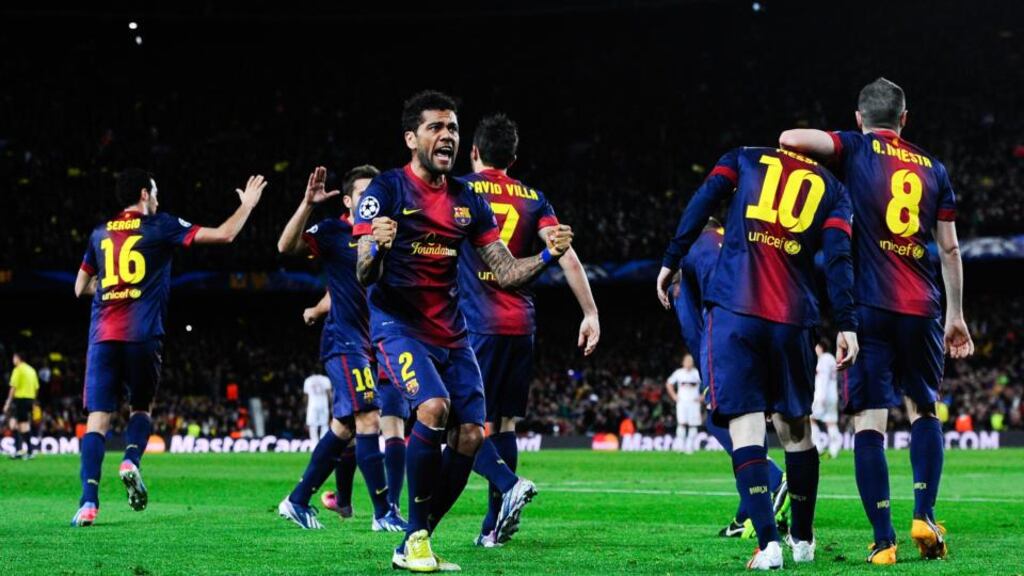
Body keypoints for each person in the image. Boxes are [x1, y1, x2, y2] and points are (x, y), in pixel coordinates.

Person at [354, 90, 574, 572]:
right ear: (412, 138)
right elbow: (364, 275)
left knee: (472, 435)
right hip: (399, 326)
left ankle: (417, 539)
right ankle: (413, 537)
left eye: (453, 128)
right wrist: (376, 247)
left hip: (453, 334)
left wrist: (547, 257)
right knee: (433, 408)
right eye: (436, 127)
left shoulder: (467, 199)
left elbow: (507, 272)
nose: (447, 136)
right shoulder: (385, 191)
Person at [779, 77, 974, 563]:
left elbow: (790, 139)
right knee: (923, 409)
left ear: (860, 118)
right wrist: (956, 315)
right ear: (905, 119)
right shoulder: (934, 168)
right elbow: (949, 247)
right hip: (923, 305)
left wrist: (845, 142)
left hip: (868, 307)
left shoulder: (855, 147)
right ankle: (925, 515)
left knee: (870, 421)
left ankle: (884, 540)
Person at [657, 145, 858, 570]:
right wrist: (847, 321)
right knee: (796, 429)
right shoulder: (835, 188)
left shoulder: (744, 157)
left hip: (735, 308)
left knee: (746, 425)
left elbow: (705, 199)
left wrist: (671, 258)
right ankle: (802, 538)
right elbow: (839, 256)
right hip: (793, 314)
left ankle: (768, 545)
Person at [71, 169, 267, 527]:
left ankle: (88, 503)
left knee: (97, 420)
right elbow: (224, 235)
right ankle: (131, 459)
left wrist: (112, 287)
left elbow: (79, 288)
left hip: (102, 336)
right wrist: (248, 206)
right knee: (141, 408)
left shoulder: (99, 234)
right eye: (156, 193)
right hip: (142, 334)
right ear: (145, 194)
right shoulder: (159, 225)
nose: (159, 200)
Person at [458, 113, 600, 547]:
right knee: (504, 424)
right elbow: (566, 255)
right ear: (513, 158)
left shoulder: (459, 190)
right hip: (520, 323)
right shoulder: (534, 197)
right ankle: (492, 529)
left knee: (460, 426)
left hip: (475, 321)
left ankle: (508, 483)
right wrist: (590, 312)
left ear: (474, 152)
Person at [276, 165, 404, 532]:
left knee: (345, 426)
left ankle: (298, 501)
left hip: (372, 343)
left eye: (375, 194)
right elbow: (286, 247)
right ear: (348, 201)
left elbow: (353, 288)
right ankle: (383, 514)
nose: (371, 201)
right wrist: (307, 204)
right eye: (363, 194)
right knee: (368, 418)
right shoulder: (334, 231)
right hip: (344, 341)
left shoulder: (385, 234)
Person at [669, 218, 789, 538]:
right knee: (746, 419)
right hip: (771, 322)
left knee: (720, 420)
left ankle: (773, 479)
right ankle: (749, 511)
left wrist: (707, 370)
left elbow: (691, 324)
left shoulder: (690, 254)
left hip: (727, 333)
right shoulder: (740, 239)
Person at [4, 351, 40, 459]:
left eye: (14, 358)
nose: (13, 360)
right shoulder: (32, 370)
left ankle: (29, 451)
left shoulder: (18, 369)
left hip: (21, 399)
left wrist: (7, 403)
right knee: (13, 423)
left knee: (23, 425)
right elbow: (36, 387)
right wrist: (33, 401)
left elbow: (13, 387)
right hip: (29, 399)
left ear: (18, 358)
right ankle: (19, 450)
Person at [664, 354, 701, 454]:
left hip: (694, 402)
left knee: (693, 424)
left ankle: (689, 447)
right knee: (681, 423)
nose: (688, 363)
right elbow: (668, 383)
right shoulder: (679, 373)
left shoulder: (697, 373)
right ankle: (681, 445)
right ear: (683, 362)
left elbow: (708, 384)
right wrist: (674, 396)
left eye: (690, 361)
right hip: (682, 402)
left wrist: (702, 397)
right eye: (687, 361)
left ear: (693, 363)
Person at [811, 340, 842, 459]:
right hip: (832, 395)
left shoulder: (823, 359)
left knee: (810, 418)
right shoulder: (831, 359)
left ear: (821, 347)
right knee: (830, 422)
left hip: (822, 396)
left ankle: (817, 446)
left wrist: (820, 397)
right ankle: (834, 449)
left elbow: (823, 380)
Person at [303, 371, 331, 442]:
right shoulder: (325, 379)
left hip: (312, 406)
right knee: (324, 425)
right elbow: (329, 395)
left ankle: (314, 446)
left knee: (312, 426)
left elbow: (306, 396)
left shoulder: (308, 380)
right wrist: (330, 406)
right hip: (323, 405)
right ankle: (323, 445)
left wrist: (306, 407)